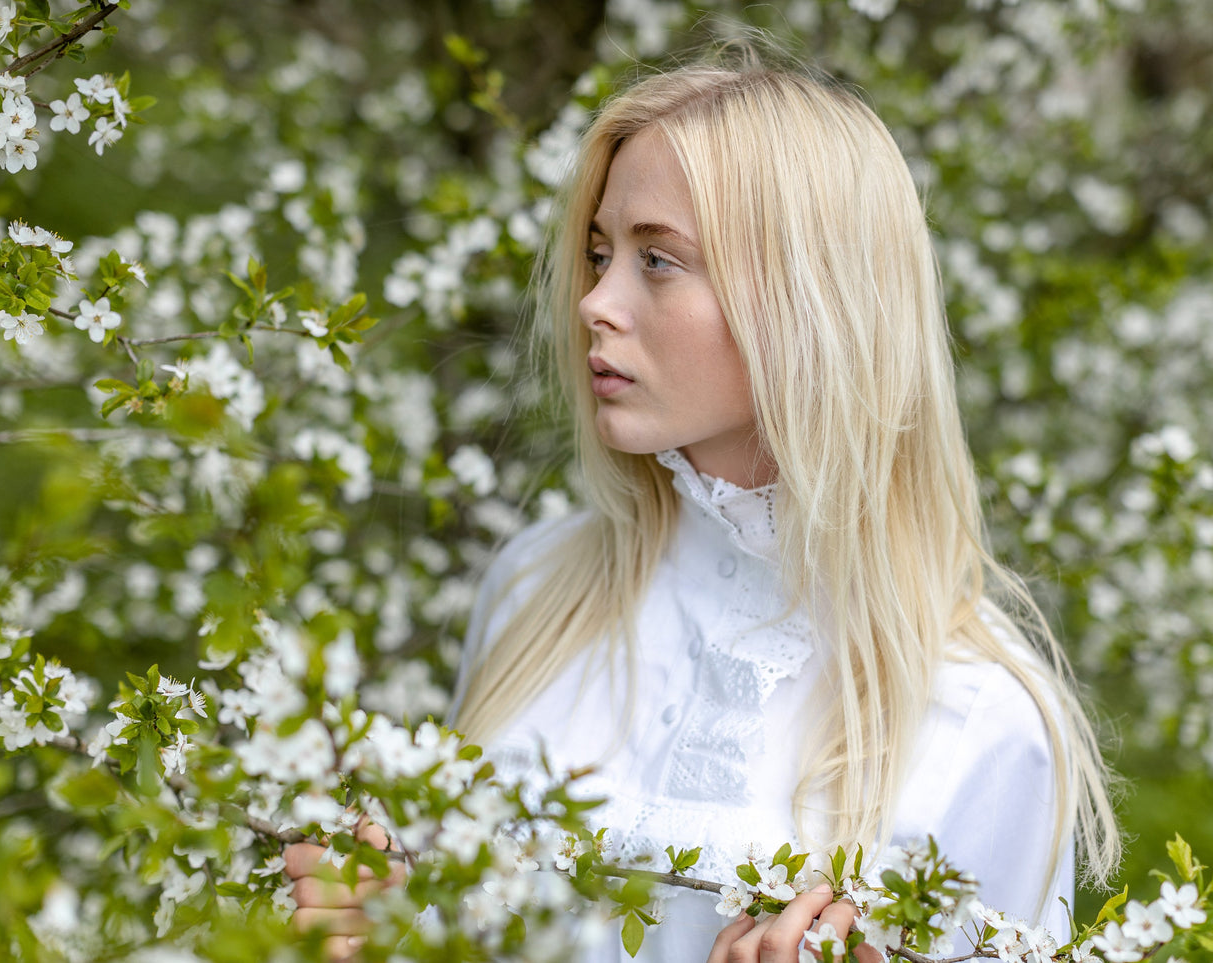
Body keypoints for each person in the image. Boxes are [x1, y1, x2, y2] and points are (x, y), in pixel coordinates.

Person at [287, 47, 1120, 963]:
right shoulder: (540, 590)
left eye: (657, 259)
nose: (595, 301)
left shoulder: (976, 722)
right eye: (599, 254)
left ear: (809, 299)